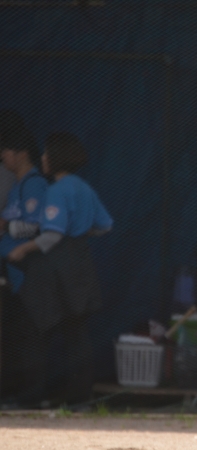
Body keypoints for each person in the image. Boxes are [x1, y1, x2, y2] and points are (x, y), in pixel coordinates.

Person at [8, 131, 113, 407]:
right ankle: (80, 398)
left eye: (46, 153)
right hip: (80, 264)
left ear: (57, 157)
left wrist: (23, 249)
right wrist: (79, 232)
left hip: (54, 270)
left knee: (36, 330)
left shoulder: (56, 190)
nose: (42, 158)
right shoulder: (84, 188)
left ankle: (29, 397)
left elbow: (52, 235)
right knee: (77, 333)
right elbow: (105, 226)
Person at [0, 125, 48, 407]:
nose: (2, 156)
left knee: (29, 335)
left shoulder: (34, 184)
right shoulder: (17, 187)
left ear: (21, 154)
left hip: (28, 272)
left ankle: (30, 397)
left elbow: (39, 226)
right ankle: (12, 393)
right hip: (11, 273)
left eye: (5, 151)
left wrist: (7, 226)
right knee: (12, 334)